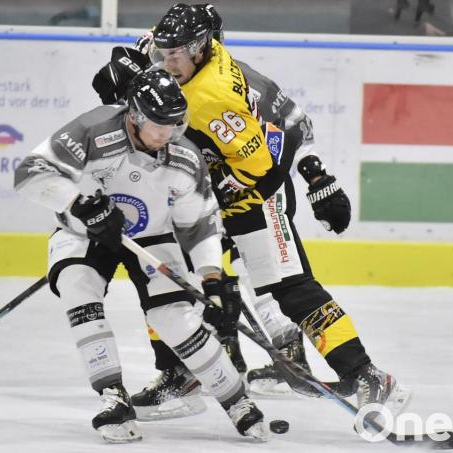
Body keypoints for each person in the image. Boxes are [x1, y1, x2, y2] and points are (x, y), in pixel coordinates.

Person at [91, 3, 409, 422]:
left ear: (201, 49)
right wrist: (125, 67)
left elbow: (259, 168)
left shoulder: (214, 98)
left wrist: (310, 178)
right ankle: (179, 373)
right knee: (164, 274)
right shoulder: (179, 53)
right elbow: (145, 51)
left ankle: (365, 373)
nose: (167, 62)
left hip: (255, 191)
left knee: (290, 288)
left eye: (176, 55)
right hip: (212, 179)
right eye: (164, 53)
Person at [14, 69, 270, 442]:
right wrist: (80, 204)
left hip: (152, 236)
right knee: (77, 285)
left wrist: (212, 280)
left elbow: (198, 225)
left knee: (174, 317)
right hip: (85, 231)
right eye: (159, 124)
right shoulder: (93, 130)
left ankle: (237, 402)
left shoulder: (184, 156)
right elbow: (30, 172)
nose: (168, 133)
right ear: (134, 114)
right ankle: (113, 396)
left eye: (174, 123)